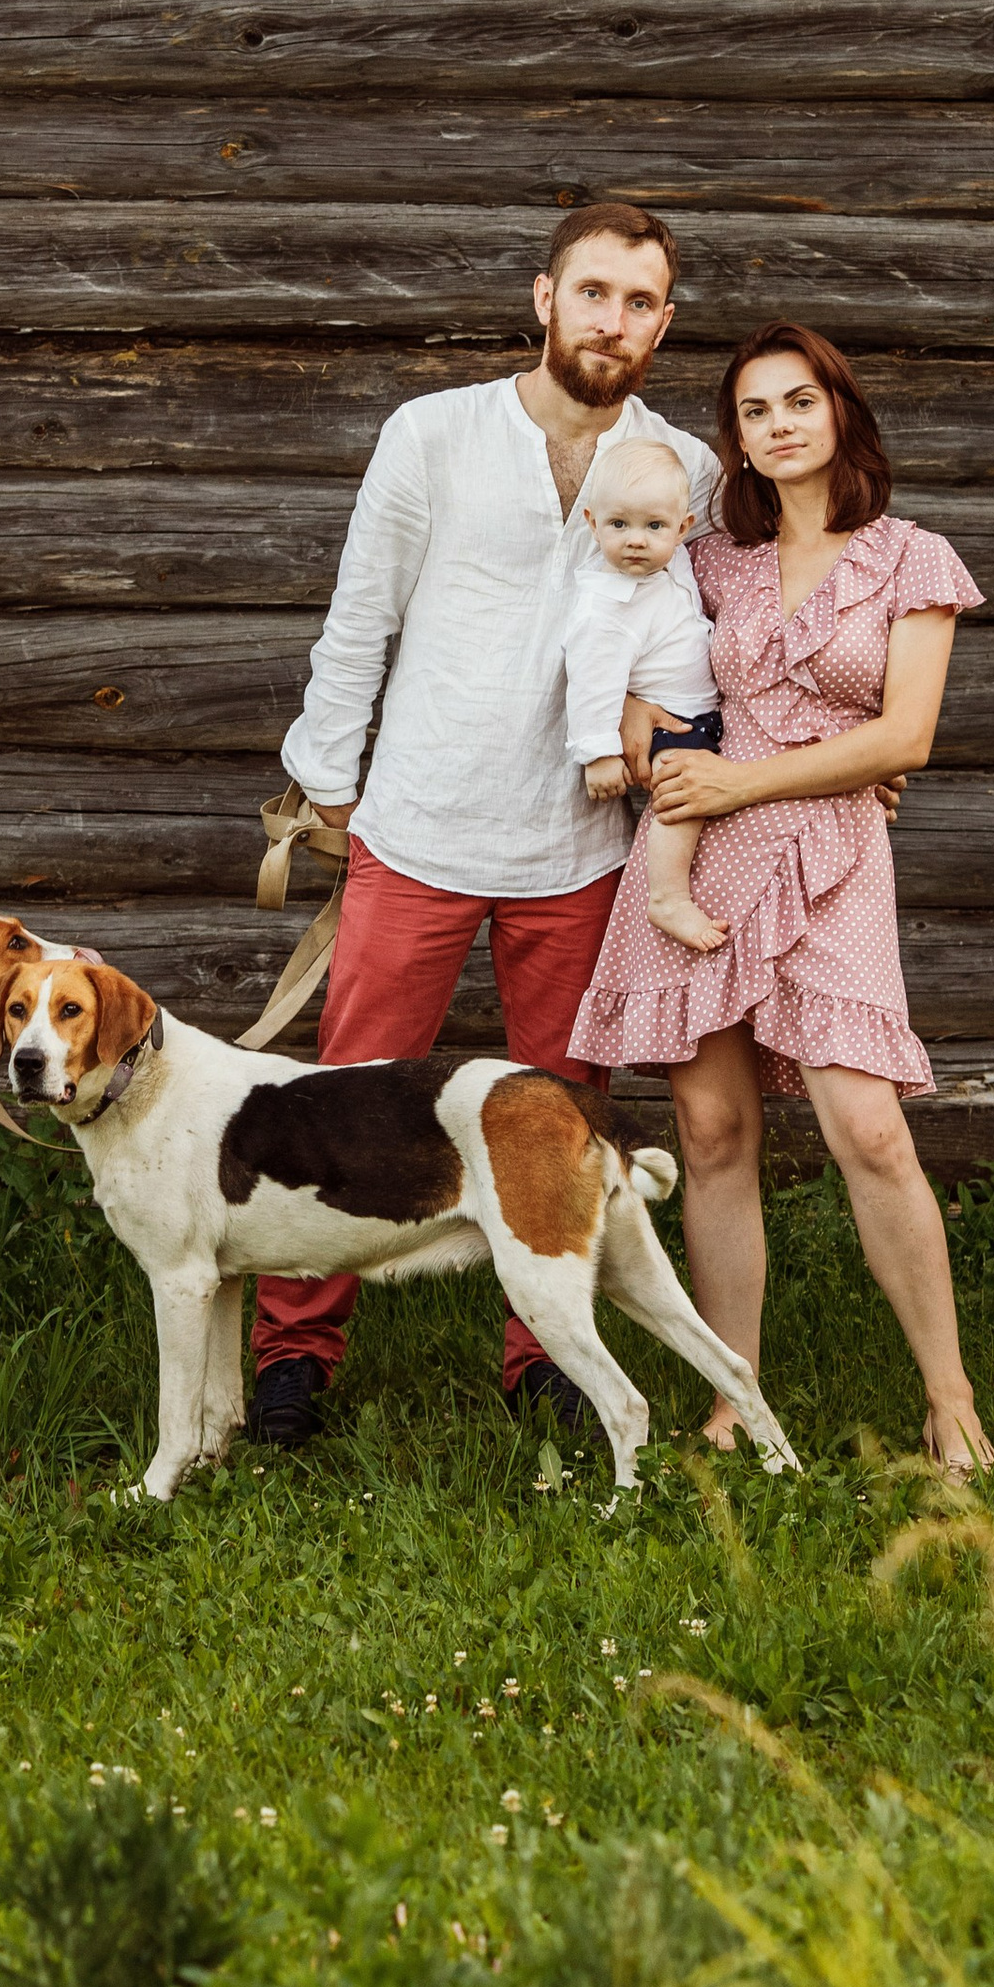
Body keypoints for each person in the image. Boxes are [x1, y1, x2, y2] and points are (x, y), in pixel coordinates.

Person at [250, 201, 718, 1446]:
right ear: (544, 298)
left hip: (579, 845)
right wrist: (330, 783)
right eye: (593, 292)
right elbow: (362, 614)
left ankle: (545, 1356)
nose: (612, 320)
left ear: (663, 323)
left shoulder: (686, 468)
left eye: (639, 302)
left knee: (558, 1115)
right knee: (345, 1101)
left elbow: (692, 643)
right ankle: (295, 1351)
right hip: (418, 823)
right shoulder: (435, 434)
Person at [571, 322, 994, 1479]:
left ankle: (949, 1397)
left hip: (832, 856)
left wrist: (759, 775)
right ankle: (729, 1395)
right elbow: (617, 651)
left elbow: (904, 735)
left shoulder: (912, 559)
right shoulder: (707, 562)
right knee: (710, 1133)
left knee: (866, 1125)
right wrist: (645, 749)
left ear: (840, 414)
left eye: (798, 402)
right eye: (755, 413)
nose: (778, 426)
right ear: (738, 443)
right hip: (695, 854)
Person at [563, 435, 724, 953]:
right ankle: (668, 896)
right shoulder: (607, 606)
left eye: (653, 526)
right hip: (669, 727)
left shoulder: (670, 562)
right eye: (618, 525)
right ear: (592, 523)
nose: (635, 540)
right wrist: (598, 753)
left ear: (683, 530)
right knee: (683, 802)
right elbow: (591, 681)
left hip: (699, 713)